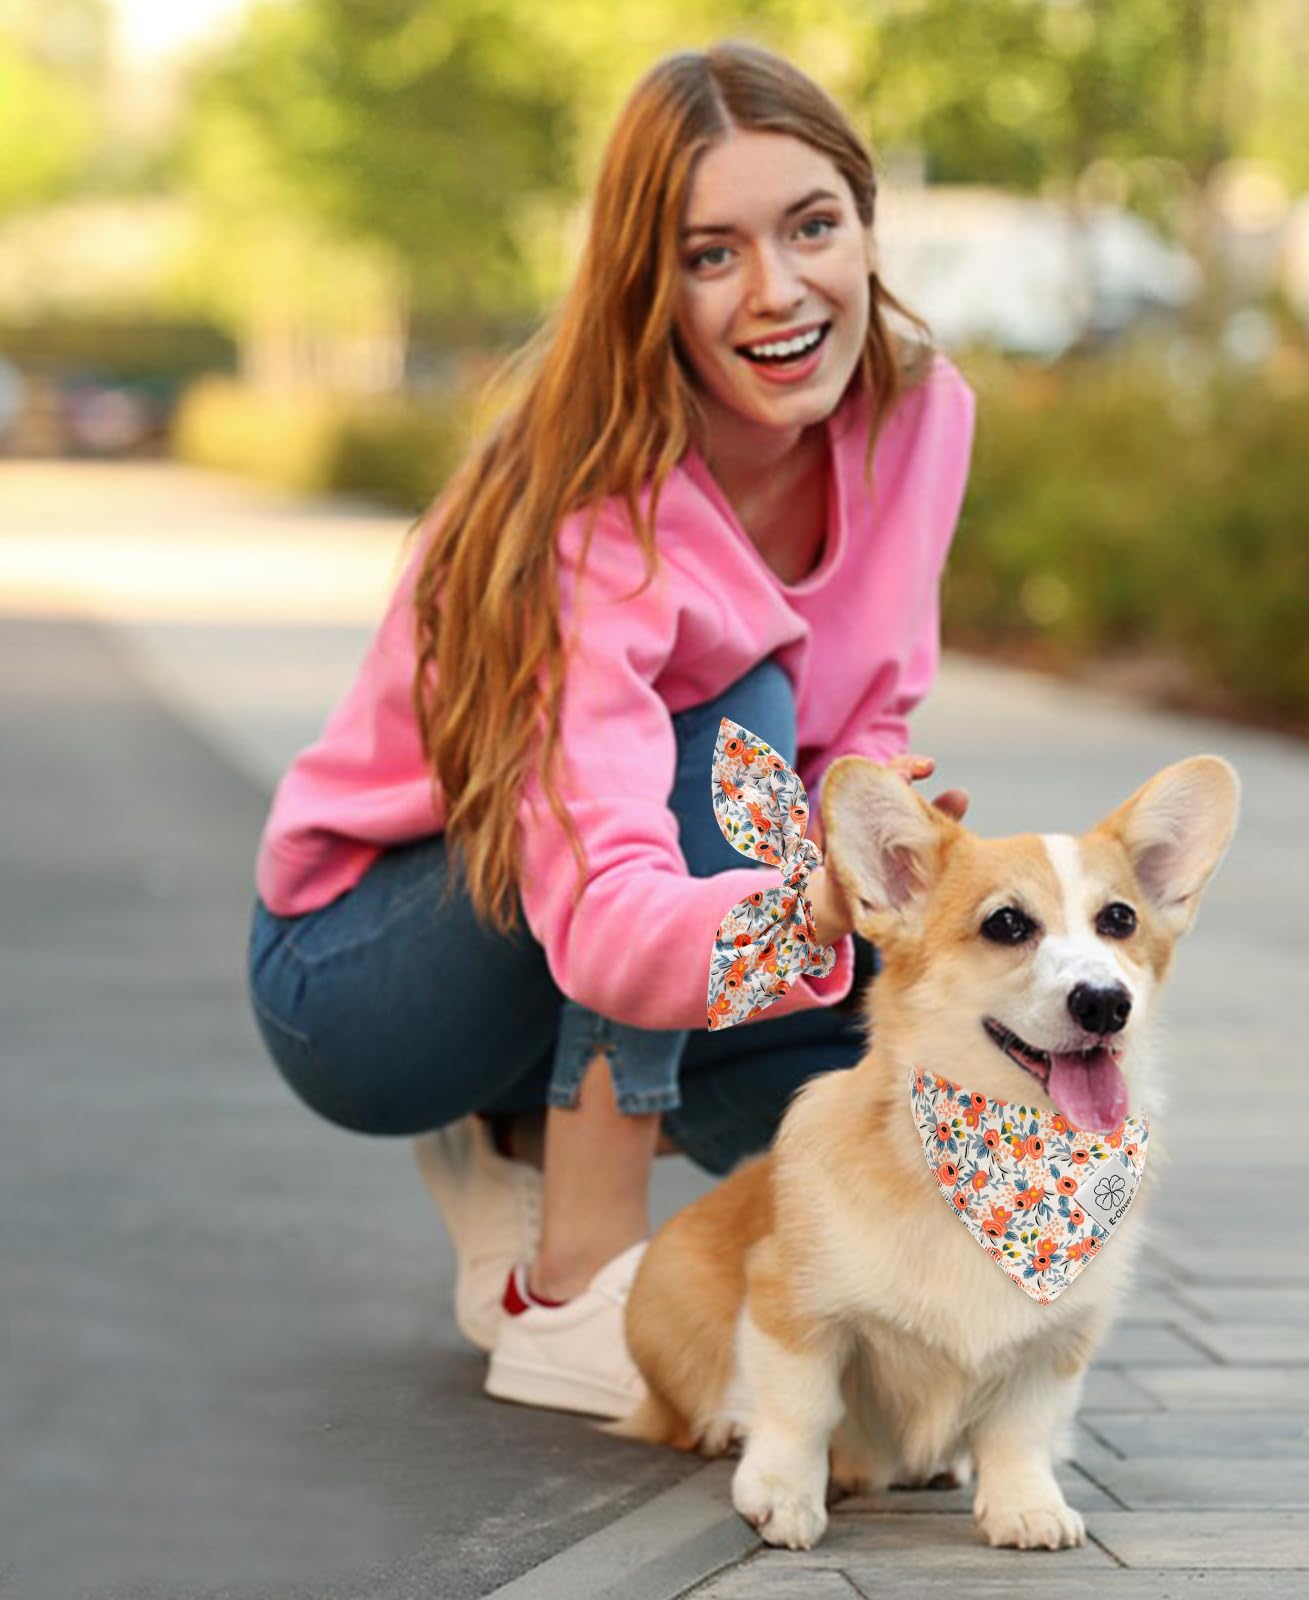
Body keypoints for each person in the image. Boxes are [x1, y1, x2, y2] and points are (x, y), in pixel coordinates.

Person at [246, 40, 975, 1420]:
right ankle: (580, 1287)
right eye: (712, 254)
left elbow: (873, 712)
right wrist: (807, 900)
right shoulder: (599, 513)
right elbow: (604, 909)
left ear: (865, 220)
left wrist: (880, 854)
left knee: (885, 1098)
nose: (779, 291)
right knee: (734, 705)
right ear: (651, 282)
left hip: (623, 933)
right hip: (369, 973)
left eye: (812, 226)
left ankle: (517, 1134)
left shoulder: (919, 414)